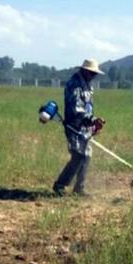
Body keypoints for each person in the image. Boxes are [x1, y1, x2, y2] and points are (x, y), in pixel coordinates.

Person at [53, 58, 106, 197]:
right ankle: (60, 185)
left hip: (85, 126)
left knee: (86, 156)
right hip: (74, 125)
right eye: (92, 73)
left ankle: (79, 188)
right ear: (84, 71)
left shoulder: (87, 84)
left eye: (95, 74)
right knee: (78, 156)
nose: (94, 76)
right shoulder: (75, 84)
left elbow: (88, 106)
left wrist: (93, 124)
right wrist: (92, 120)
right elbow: (76, 109)